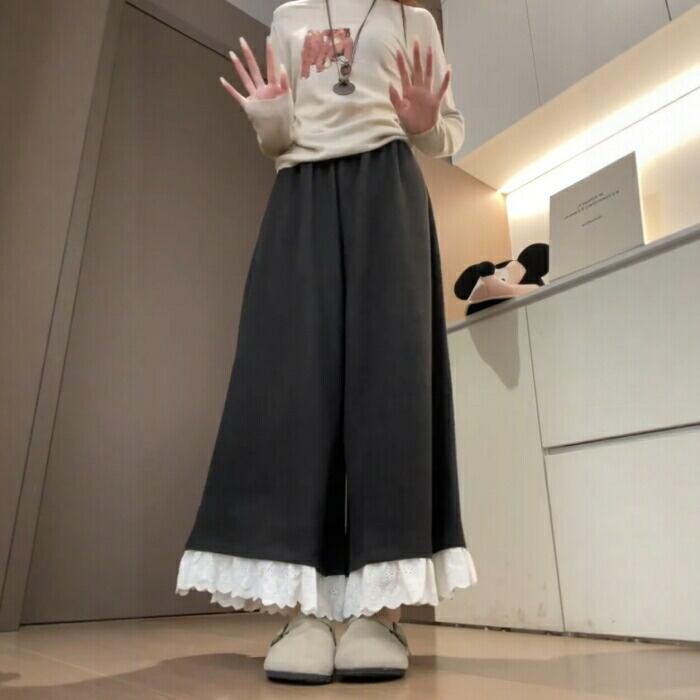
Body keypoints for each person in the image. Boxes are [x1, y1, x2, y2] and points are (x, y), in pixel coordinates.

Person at [175, 0, 478, 684]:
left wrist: (425, 125)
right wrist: (270, 120)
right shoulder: (290, 17)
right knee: (288, 390)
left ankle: (381, 614)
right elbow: (280, 140)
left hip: (389, 192)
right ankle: (302, 614)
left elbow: (447, 132)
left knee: (393, 390)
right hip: (301, 191)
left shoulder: (414, 20)